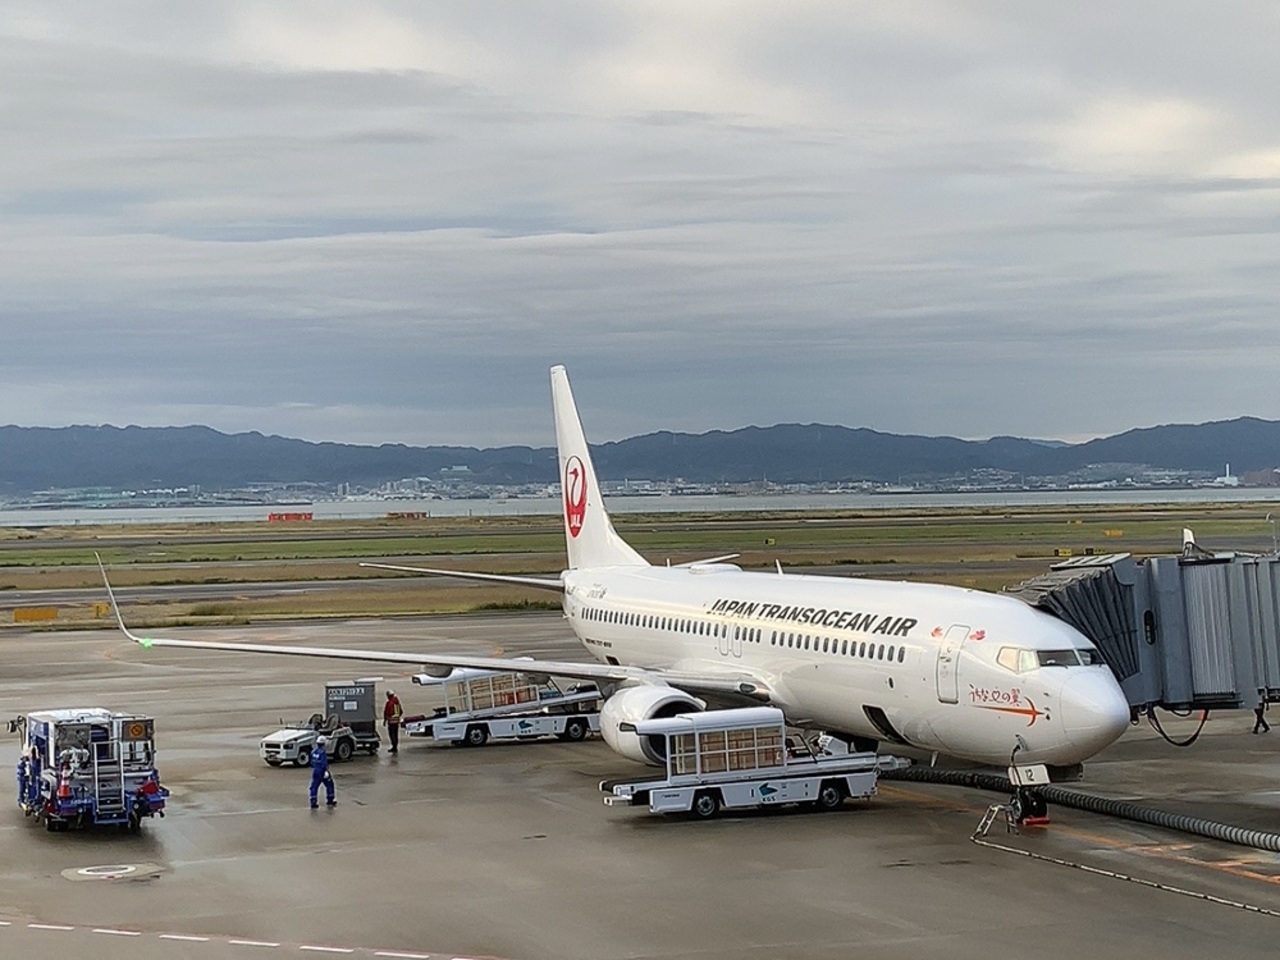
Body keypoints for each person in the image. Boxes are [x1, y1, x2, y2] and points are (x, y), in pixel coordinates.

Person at [309, 735, 336, 808]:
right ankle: (330, 799)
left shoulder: (313, 752)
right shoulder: (322, 753)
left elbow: (311, 762)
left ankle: (313, 801)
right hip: (322, 771)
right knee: (329, 784)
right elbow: (324, 763)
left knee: (314, 786)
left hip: (315, 770)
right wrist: (326, 771)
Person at [383, 689, 404, 755]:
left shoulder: (389, 703)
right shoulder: (397, 703)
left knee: (392, 735)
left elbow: (386, 712)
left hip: (391, 722)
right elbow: (401, 712)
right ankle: (395, 747)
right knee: (396, 735)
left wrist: (385, 720)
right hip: (396, 722)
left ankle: (394, 747)